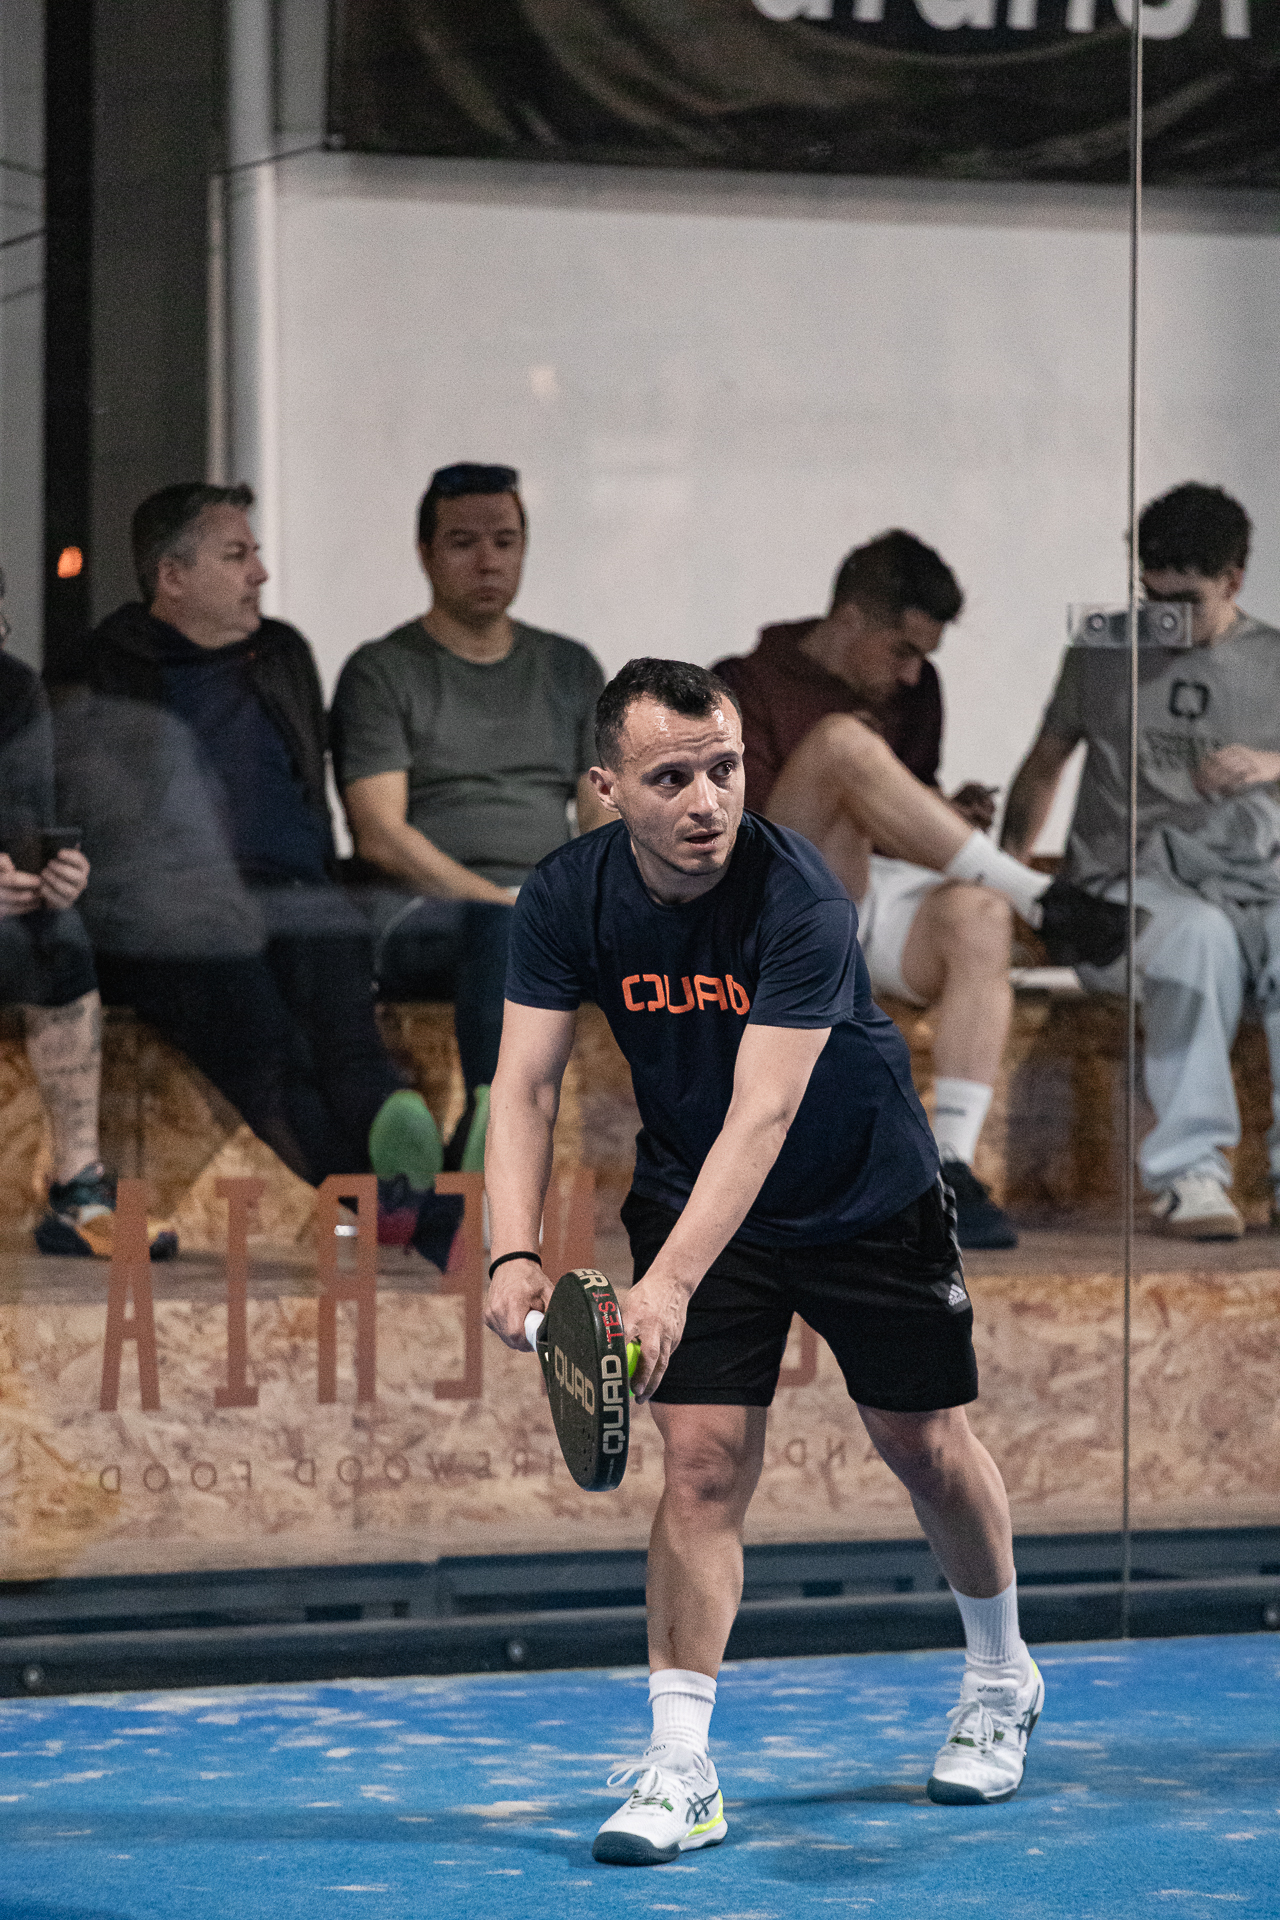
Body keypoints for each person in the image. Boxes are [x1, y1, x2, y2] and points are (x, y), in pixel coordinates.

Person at [485, 657, 1045, 1867]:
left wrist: (666, 1286)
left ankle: (1001, 1676)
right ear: (604, 788)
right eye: (670, 778)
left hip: (862, 1192)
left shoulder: (798, 897)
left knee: (922, 1445)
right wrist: (510, 1250)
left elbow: (765, 1111)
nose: (707, 801)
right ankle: (680, 1767)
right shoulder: (567, 896)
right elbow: (523, 1084)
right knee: (697, 1463)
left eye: (724, 769)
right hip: (697, 1193)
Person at [65, 484, 458, 1261]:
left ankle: (400, 1162)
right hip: (174, 911)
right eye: (236, 555)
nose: (260, 573)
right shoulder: (99, 667)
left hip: (295, 894)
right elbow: (98, 822)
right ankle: (406, 1204)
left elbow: (306, 787)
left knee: (348, 1036)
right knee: (266, 1047)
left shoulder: (280, 654)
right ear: (172, 577)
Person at [716, 530, 1022, 1248]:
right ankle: (1038, 893)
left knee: (981, 914)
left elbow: (895, 818)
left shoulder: (917, 690)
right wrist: (856, 782)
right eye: (902, 651)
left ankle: (949, 1166)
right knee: (840, 744)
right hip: (773, 899)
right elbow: (737, 829)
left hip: (872, 886)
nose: (913, 675)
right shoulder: (742, 683)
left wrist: (939, 811)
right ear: (850, 618)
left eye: (924, 657)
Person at [1003, 481, 1280, 1240]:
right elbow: (1044, 765)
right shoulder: (1104, 647)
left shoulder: (1272, 661)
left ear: (1234, 580)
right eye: (1153, 598)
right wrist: (1009, 879)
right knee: (1196, 937)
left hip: (1247, 886)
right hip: (1124, 889)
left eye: (1187, 602)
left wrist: (1270, 763)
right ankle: (1190, 1174)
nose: (1168, 620)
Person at [330, 463, 608, 1163]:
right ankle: (497, 1119)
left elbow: (602, 819)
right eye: (463, 542)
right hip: (423, 915)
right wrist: (505, 905)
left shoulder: (570, 668)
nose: (488, 560)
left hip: (546, 908)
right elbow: (380, 834)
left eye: (505, 541)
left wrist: (576, 904)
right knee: (501, 930)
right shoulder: (382, 670)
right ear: (425, 553)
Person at [0, 567, 173, 1259]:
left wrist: (53, 875)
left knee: (56, 932)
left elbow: (24, 820)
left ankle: (78, 1189)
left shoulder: (12, 688)